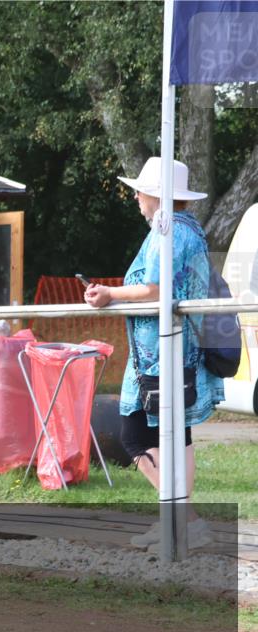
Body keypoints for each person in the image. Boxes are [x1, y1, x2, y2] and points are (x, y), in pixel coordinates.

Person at [84, 157, 223, 551]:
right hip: (175, 350)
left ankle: (185, 520)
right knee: (178, 435)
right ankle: (175, 520)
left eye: (140, 190)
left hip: (162, 352)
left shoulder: (168, 231)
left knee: (133, 434)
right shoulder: (188, 230)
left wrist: (109, 294)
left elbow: (156, 290)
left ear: (156, 195)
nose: (135, 196)